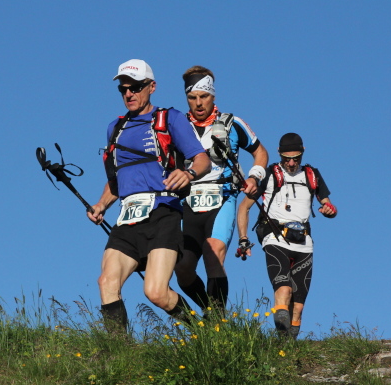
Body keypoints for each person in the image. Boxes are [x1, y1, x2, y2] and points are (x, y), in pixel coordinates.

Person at [87, 59, 211, 332]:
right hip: (127, 218)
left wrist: (189, 174)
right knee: (106, 282)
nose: (129, 94)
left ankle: (202, 334)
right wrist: (101, 205)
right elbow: (117, 180)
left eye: (135, 87)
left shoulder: (170, 118)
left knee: (156, 292)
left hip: (162, 213)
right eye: (123, 89)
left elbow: (202, 160)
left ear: (151, 87)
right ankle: (119, 351)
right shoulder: (115, 128)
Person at [174, 66, 268, 313]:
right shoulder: (178, 125)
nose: (198, 103)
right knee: (182, 267)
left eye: (204, 96)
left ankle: (216, 321)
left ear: (213, 95)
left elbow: (260, 152)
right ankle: (211, 315)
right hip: (187, 201)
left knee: (213, 252)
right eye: (192, 97)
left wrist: (254, 177)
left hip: (222, 197)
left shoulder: (232, 123)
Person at [236, 133, 337, 339]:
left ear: (303, 153)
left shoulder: (312, 175)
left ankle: (288, 348)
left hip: (304, 243)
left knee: (298, 308)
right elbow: (244, 208)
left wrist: (329, 210)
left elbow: (328, 205)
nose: (291, 163)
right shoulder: (269, 174)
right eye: (286, 158)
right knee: (284, 291)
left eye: (296, 158)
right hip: (275, 238)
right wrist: (243, 239)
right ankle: (281, 340)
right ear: (279, 154)